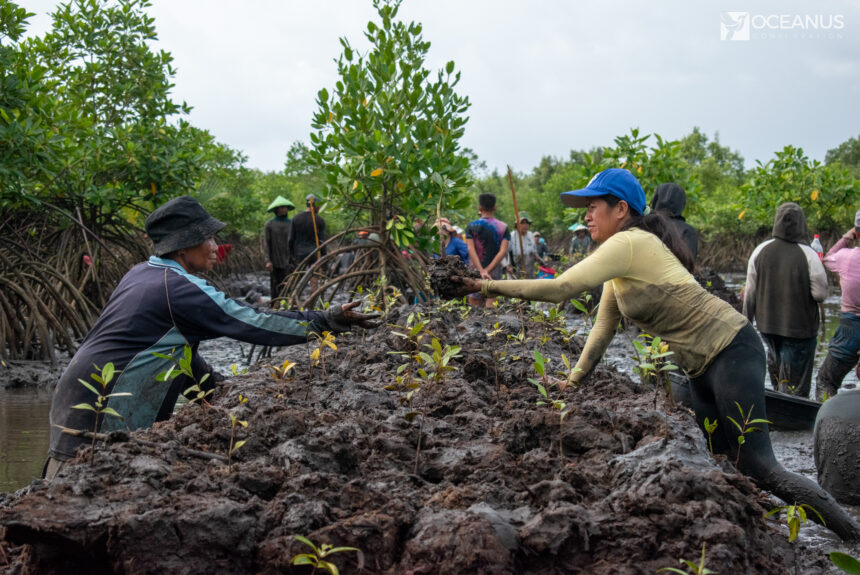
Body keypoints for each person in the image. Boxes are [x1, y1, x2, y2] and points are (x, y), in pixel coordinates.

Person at [449, 168, 860, 541]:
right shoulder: (621, 257)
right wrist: (572, 381)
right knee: (716, 461)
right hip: (700, 367)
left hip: (733, 348)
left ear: (620, 209)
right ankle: (753, 538)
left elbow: (561, 289)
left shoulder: (631, 242)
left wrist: (481, 286)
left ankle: (850, 535)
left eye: (593, 207)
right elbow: (603, 328)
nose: (587, 216)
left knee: (761, 465)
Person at [45, 196, 378, 480]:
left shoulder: (141, 272)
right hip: (98, 416)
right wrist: (325, 320)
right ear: (185, 244)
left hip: (72, 400)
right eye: (209, 239)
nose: (216, 248)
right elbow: (251, 321)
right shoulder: (177, 288)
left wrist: (213, 389)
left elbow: (172, 350)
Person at [743, 203, 827, 397]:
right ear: (802, 225)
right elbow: (820, 294)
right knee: (795, 390)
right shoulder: (809, 254)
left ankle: (778, 417)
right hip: (800, 331)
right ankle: (796, 424)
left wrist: (746, 324)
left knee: (778, 379)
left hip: (767, 329)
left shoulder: (760, 251)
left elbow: (750, 294)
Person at [816, 211, 860, 401]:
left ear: (857, 233)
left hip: (851, 327)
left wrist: (846, 237)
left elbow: (826, 258)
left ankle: (823, 424)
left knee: (826, 380)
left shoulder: (846, 257)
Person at [465, 193, 511, 308]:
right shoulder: (503, 227)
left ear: (479, 208)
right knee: (491, 311)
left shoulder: (471, 226)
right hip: (494, 273)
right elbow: (502, 252)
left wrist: (481, 270)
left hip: (475, 272)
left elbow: (471, 249)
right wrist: (487, 270)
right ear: (495, 208)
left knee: (474, 310)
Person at [650, 183, 698, 261]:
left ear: (655, 199)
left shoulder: (644, 225)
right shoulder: (687, 231)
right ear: (682, 203)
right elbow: (689, 263)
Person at [289, 194, 327, 292]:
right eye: (319, 206)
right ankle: (312, 302)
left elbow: (291, 239)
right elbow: (322, 241)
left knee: (296, 279)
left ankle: (293, 301)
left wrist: (291, 255)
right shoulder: (320, 220)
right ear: (316, 206)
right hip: (315, 253)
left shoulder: (296, 218)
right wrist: (324, 256)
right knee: (314, 280)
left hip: (299, 253)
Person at [263, 195, 296, 301]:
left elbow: (295, 243)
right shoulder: (270, 224)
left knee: (289, 287)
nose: (284, 209)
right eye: (282, 207)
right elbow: (266, 243)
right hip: (275, 261)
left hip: (289, 261)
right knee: (275, 287)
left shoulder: (292, 224)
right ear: (277, 209)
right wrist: (267, 261)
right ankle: (275, 308)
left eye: (286, 207)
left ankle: (288, 308)